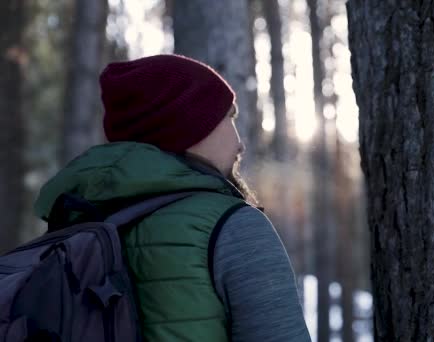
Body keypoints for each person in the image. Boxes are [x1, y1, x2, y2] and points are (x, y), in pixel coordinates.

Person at [33, 54, 311, 341]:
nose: (240, 143)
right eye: (228, 116)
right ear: (188, 127)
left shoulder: (74, 218)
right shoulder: (234, 226)